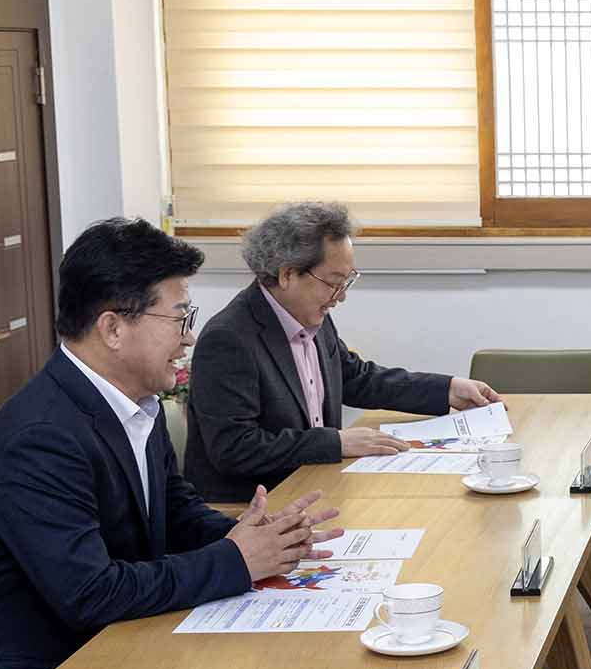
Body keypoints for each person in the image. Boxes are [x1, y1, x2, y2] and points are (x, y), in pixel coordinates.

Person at [0, 218, 340, 669]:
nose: (189, 337)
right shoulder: (42, 438)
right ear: (113, 328)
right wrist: (237, 560)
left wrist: (259, 537)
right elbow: (90, 593)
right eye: (179, 318)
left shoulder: (133, 404)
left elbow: (175, 511)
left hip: (109, 657)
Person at [184, 201, 500, 503]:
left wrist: (446, 389)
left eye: (347, 282)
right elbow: (235, 449)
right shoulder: (229, 339)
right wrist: (335, 442)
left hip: (317, 486)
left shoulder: (310, 315)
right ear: (287, 274)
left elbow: (355, 378)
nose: (340, 297)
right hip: (253, 508)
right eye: (333, 282)